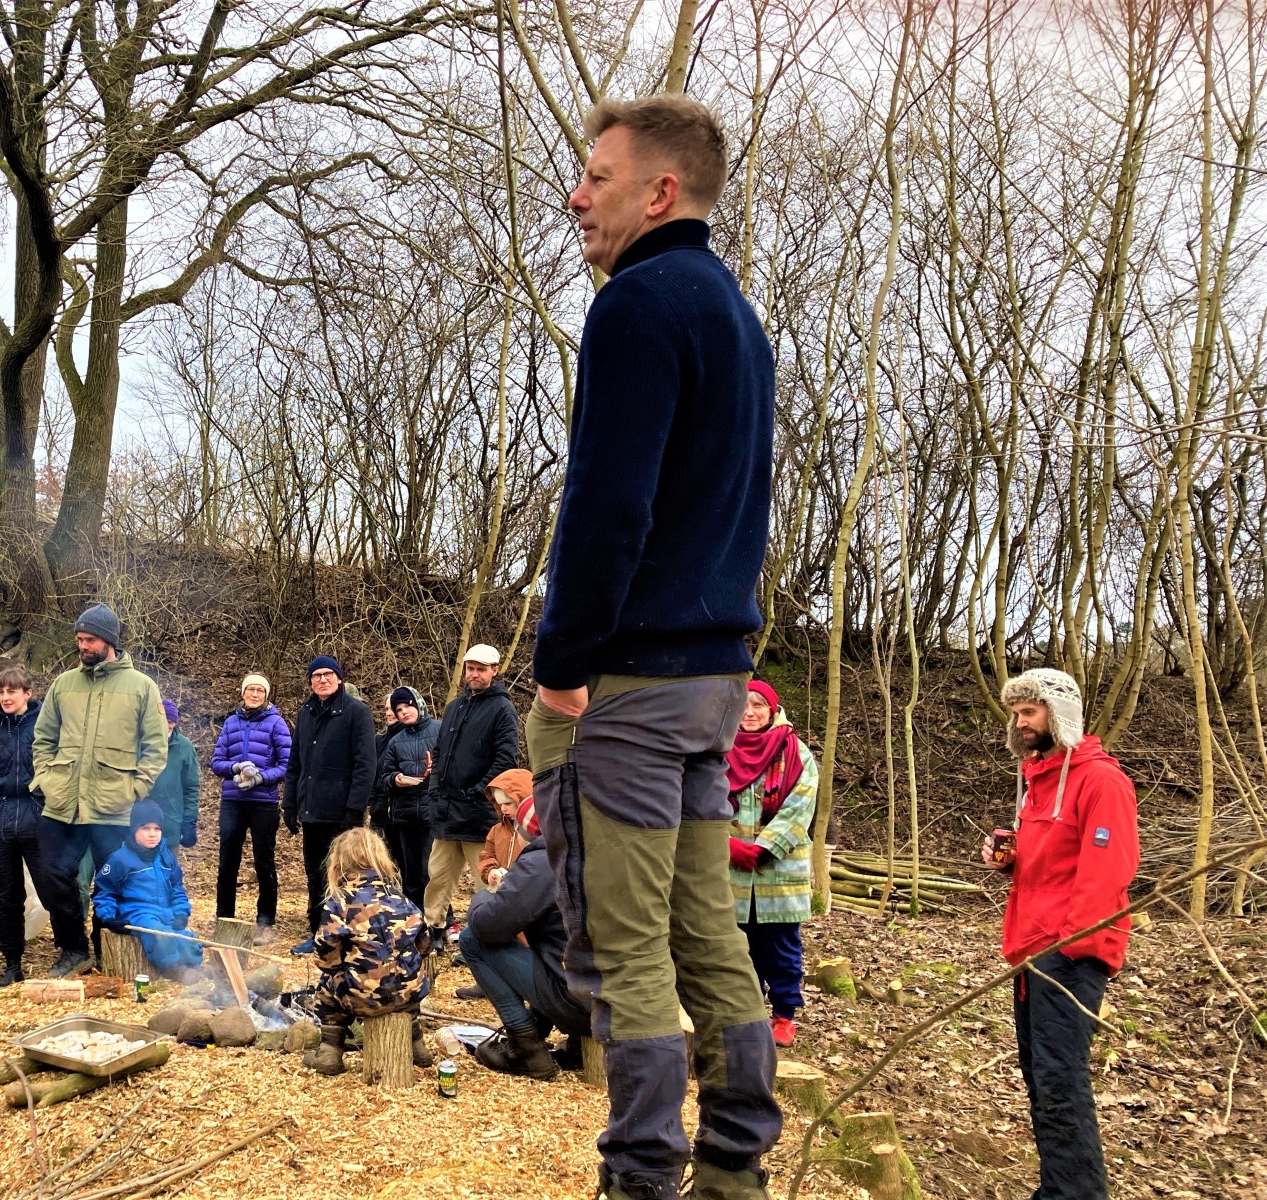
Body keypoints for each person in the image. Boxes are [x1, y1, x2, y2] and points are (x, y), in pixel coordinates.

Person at [527, 95, 781, 1200]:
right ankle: (735, 1168)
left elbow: (606, 507)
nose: (578, 196)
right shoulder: (734, 313)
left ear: (659, 193)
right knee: (706, 934)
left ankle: (639, 1181)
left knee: (621, 955)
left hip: (627, 691)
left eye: (597, 176)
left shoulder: (636, 305)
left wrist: (561, 667)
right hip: (715, 684)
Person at [984, 668, 1139, 1200]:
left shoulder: (1102, 781)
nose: (1020, 722)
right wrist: (1010, 860)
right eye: (1017, 713)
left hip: (1069, 955)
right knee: (1041, 1080)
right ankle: (1058, 1188)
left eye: (1030, 712)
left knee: (1059, 1082)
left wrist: (1066, 950)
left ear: (1061, 714)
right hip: (1031, 951)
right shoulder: (1038, 780)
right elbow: (1053, 863)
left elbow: (1107, 874)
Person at [31, 604, 167, 977]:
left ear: (108, 641)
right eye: (79, 639)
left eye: (89, 639)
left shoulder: (141, 687)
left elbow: (156, 747)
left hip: (115, 807)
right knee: (53, 876)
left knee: (115, 880)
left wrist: (137, 788)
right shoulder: (63, 684)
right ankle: (73, 950)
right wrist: (46, 777)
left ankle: (107, 946)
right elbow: (42, 738)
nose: (82, 646)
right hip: (63, 804)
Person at [461, 795, 591, 1080]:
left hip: (577, 1000)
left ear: (523, 833)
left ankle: (525, 1046)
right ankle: (572, 1044)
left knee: (471, 939)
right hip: (614, 994)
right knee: (555, 948)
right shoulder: (591, 849)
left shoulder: (543, 862)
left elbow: (487, 926)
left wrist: (484, 895)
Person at [0, 665, 79, 987]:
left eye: (12, 691)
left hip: (40, 822)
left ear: (27, 694)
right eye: (1, 691)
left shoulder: (45, 728)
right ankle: (12, 963)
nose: (5, 697)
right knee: (7, 898)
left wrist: (49, 809)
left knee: (53, 888)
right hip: (0, 827)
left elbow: (62, 771)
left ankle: (71, 952)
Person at [726, 681, 818, 1048]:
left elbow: (801, 805)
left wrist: (764, 848)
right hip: (729, 868)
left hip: (779, 869)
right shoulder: (718, 747)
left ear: (771, 709)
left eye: (758, 705)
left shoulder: (795, 751)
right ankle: (742, 1014)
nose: (749, 712)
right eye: (743, 704)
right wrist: (725, 845)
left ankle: (783, 1015)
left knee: (780, 946)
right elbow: (700, 800)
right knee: (734, 945)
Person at [300, 826, 432, 1076]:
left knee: (327, 986)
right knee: (405, 979)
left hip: (364, 997)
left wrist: (339, 970)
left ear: (339, 862)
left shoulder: (340, 902)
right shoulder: (400, 897)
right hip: (408, 995)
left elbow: (325, 953)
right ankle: (417, 1045)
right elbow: (425, 942)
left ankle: (330, 1050)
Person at [282, 655, 376, 955]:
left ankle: (350, 935)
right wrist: (290, 804)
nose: (322, 679)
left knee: (347, 875)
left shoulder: (356, 712)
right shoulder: (306, 713)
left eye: (328, 674)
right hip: (312, 812)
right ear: (310, 681)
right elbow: (295, 762)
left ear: (338, 678)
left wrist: (354, 809)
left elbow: (366, 765)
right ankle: (320, 933)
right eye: (316, 675)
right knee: (315, 874)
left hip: (342, 813)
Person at [422, 643, 518, 932]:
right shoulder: (454, 708)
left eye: (481, 669)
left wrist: (478, 792)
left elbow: (505, 759)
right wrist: (434, 789)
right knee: (437, 877)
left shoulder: (503, 709)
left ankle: (484, 937)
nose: (474, 674)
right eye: (470, 668)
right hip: (446, 812)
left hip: (479, 815)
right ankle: (433, 931)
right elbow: (439, 753)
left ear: (494, 671)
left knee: (486, 882)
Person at [210, 673, 291, 942]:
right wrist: (234, 768)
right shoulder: (231, 723)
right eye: (250, 690)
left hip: (264, 803)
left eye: (260, 690)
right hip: (233, 801)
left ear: (266, 695)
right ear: (243, 693)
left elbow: (287, 764)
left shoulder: (276, 724)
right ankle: (224, 920)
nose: (254, 694)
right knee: (227, 862)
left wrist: (260, 777)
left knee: (264, 862)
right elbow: (216, 761)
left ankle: (265, 923)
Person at [91, 800, 204, 980]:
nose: (152, 834)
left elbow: (177, 886)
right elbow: (105, 892)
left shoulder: (166, 856)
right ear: (134, 829)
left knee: (188, 940)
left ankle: (193, 965)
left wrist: (181, 912)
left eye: (157, 829)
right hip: (137, 913)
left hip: (164, 912)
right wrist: (109, 918)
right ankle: (173, 969)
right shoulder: (120, 859)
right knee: (160, 936)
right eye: (145, 828)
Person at [371, 685, 437, 909]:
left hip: (433, 814)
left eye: (407, 706)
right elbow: (384, 778)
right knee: (412, 875)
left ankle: (441, 922)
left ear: (418, 704)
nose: (404, 712)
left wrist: (435, 770)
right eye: (399, 709)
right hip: (404, 815)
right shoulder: (396, 741)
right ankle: (415, 921)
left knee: (433, 872)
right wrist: (395, 779)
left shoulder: (440, 731)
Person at [143, 699, 199, 852]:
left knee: (167, 872)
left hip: (170, 822)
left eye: (171, 721)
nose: (167, 726)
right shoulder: (140, 742)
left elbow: (191, 786)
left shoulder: (185, 746)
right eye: (163, 720)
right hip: (139, 822)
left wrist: (189, 820)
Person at [478, 767, 531, 890]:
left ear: (523, 800)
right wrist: (490, 870)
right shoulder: (497, 830)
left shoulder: (536, 831)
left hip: (527, 891)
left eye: (508, 803)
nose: (503, 809)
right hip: (502, 892)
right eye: (499, 804)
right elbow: (487, 855)